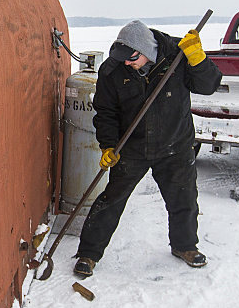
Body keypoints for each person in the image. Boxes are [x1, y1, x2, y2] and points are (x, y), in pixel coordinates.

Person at [73, 20, 222, 277]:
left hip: (175, 144)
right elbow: (106, 113)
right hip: (131, 147)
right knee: (111, 200)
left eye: (132, 58)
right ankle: (89, 253)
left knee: (183, 199)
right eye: (122, 59)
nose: (127, 64)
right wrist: (108, 145)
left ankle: (185, 246)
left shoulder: (179, 56)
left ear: (147, 50)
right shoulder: (112, 70)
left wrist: (198, 59)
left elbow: (209, 86)